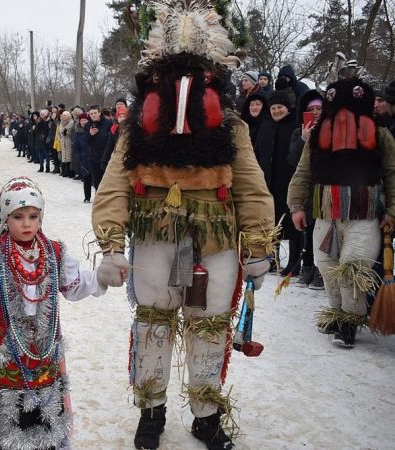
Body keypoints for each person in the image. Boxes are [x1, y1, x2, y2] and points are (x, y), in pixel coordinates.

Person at [92, 1, 275, 448]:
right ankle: (150, 411)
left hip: (214, 244)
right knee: (152, 323)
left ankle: (206, 414)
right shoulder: (138, 128)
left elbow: (251, 188)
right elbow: (114, 185)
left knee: (210, 325)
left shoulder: (231, 128)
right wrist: (111, 243)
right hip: (154, 239)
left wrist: (256, 244)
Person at [0, 176, 116, 450]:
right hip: (5, 357)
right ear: (5, 218)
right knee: (4, 425)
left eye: (33, 216)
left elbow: (74, 286)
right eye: (18, 216)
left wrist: (100, 278)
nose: (26, 223)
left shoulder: (53, 253)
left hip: (44, 356)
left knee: (43, 424)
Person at [288, 66, 395, 348]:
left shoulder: (380, 136)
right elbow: (303, 172)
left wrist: (392, 211)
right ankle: (335, 314)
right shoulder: (317, 137)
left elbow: (393, 173)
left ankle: (349, 321)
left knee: (352, 270)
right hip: (326, 214)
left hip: (364, 216)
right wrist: (297, 205)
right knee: (327, 267)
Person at [255, 91, 301, 277]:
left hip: (288, 181)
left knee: (292, 222)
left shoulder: (295, 126)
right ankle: (272, 259)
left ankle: (294, 262)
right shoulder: (266, 127)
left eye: (279, 107)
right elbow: (257, 152)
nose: (276, 111)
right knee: (270, 221)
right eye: (273, 108)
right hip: (268, 182)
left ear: (287, 108)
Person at [287, 90, 325, 289]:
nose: (316, 112)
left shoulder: (329, 129)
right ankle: (308, 267)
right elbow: (292, 160)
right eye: (312, 109)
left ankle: (321, 271)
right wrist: (303, 139)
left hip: (324, 188)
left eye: (319, 108)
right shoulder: (297, 132)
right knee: (307, 230)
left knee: (323, 232)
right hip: (306, 189)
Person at [87, 105, 110, 188]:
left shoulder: (108, 123)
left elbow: (111, 139)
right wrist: (90, 134)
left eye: (95, 113)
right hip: (93, 158)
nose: (93, 115)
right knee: (96, 181)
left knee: (106, 181)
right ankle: (98, 199)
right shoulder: (88, 124)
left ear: (99, 113)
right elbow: (85, 141)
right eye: (91, 113)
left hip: (105, 157)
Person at [102, 103, 128, 172]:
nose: (122, 118)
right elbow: (109, 146)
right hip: (117, 159)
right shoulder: (114, 129)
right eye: (120, 116)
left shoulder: (132, 129)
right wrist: (104, 160)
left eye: (124, 116)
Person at [73, 113, 93, 203]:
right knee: (87, 178)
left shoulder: (92, 130)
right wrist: (78, 158)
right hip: (83, 158)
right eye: (82, 120)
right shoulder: (77, 133)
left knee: (96, 179)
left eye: (85, 120)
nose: (84, 122)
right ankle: (87, 197)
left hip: (93, 157)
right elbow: (76, 148)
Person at [58, 110, 75, 177]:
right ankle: (64, 171)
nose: (64, 117)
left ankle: (69, 172)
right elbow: (59, 132)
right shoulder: (61, 123)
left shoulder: (71, 123)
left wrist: (67, 133)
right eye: (63, 115)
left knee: (69, 156)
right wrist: (60, 138)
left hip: (69, 141)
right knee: (64, 156)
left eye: (65, 115)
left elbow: (71, 132)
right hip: (63, 141)